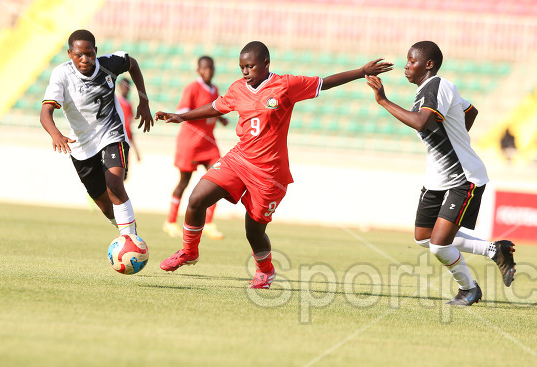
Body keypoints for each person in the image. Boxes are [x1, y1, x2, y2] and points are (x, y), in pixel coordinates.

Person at [155, 41, 393, 289]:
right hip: (239, 160)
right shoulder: (238, 88)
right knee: (196, 199)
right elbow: (216, 107)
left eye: (250, 66)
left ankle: (265, 271)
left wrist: (361, 71)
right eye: (241, 67)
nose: (245, 72)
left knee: (253, 231)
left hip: (270, 174)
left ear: (266, 64)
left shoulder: (286, 85)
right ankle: (189, 251)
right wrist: (181, 116)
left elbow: (325, 82)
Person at [366, 40, 516, 306]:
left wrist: (383, 100)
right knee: (423, 237)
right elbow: (471, 111)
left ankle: (468, 289)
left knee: (438, 245)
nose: (406, 66)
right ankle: (495, 250)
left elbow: (421, 122)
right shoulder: (433, 90)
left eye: (412, 61)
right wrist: (455, 138)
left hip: (463, 178)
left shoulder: (436, 86)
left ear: (429, 64)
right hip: (437, 179)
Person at [40, 29, 153, 237]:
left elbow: (133, 64)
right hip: (81, 146)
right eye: (78, 55)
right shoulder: (62, 75)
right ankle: (126, 231)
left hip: (112, 134)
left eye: (89, 54)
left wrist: (143, 100)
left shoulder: (109, 64)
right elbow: (45, 112)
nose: (85, 59)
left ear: (96, 51)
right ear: (69, 54)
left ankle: (131, 240)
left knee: (115, 186)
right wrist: (55, 134)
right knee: (105, 206)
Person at [163, 56, 229, 240]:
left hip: (208, 143)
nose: (208, 71)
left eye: (211, 68)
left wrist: (220, 118)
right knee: (184, 182)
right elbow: (183, 110)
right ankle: (170, 221)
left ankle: (208, 223)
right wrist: (202, 112)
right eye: (204, 68)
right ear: (198, 70)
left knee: (220, 178)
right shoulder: (192, 88)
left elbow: (214, 109)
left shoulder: (215, 89)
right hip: (191, 143)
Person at [117, 77, 141, 170]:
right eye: (123, 86)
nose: (125, 88)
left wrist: (136, 150)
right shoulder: (116, 102)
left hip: (126, 142)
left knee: (124, 173)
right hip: (117, 141)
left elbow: (129, 127)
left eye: (127, 86)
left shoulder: (129, 105)